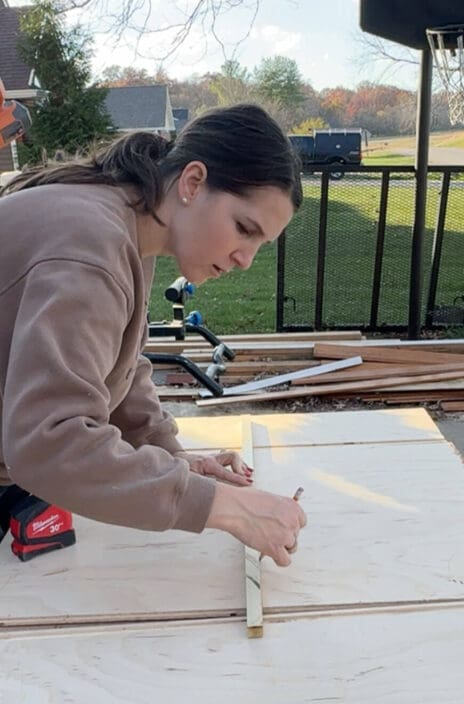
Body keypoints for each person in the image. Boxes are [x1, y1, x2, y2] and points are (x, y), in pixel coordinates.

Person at [0, 103, 306, 566]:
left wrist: (172, 457)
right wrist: (226, 507)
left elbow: (113, 363)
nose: (246, 259)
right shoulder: (91, 245)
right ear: (193, 182)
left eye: (259, 244)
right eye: (244, 228)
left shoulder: (122, 223)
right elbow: (49, 443)